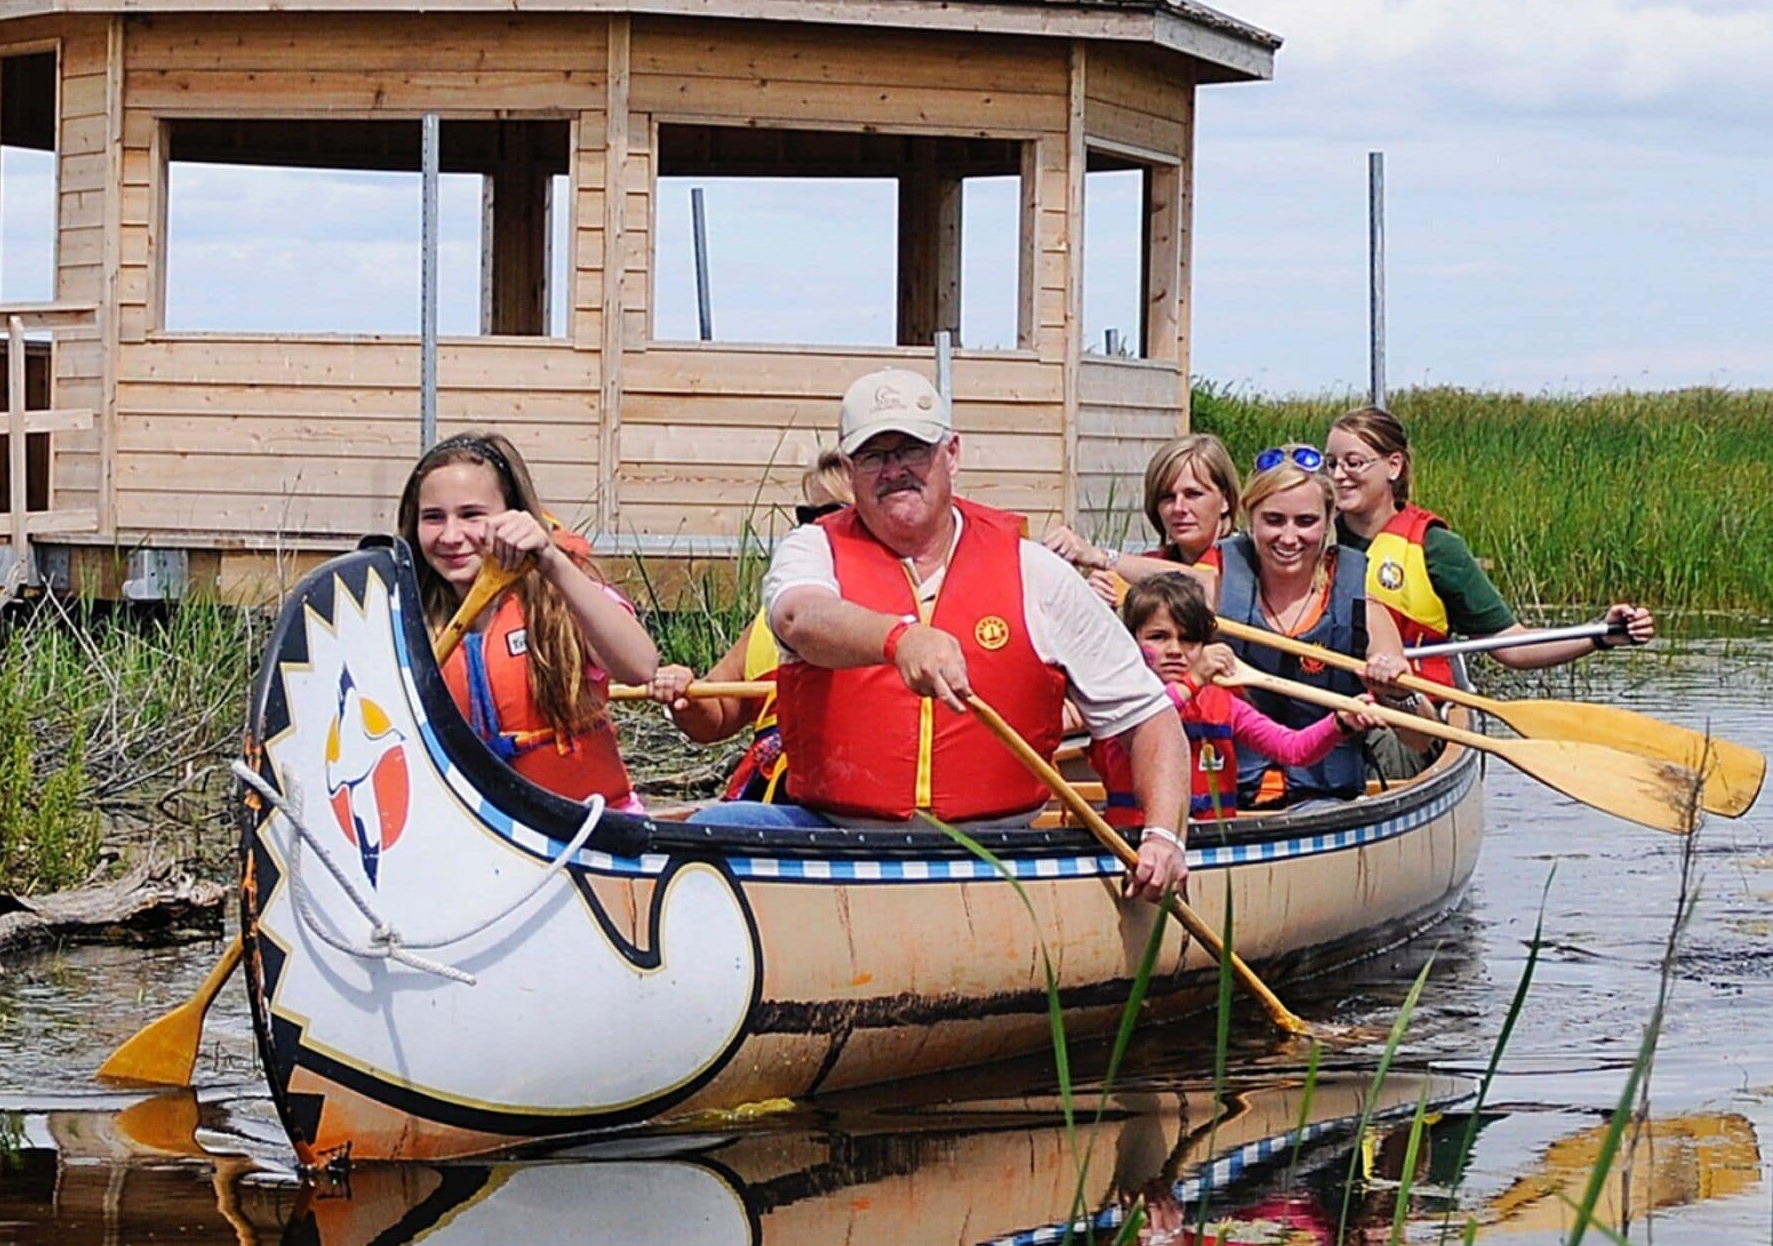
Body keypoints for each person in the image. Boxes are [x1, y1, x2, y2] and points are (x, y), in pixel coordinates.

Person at [695, 368, 1195, 904]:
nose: (895, 471)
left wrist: (1164, 836)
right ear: (850, 468)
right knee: (710, 827)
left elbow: (1149, 718)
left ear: (951, 453)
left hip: (996, 848)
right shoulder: (811, 550)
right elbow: (798, 617)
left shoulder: (1035, 572)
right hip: (836, 835)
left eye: (912, 450)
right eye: (874, 456)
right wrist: (900, 640)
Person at [400, 432, 663, 810]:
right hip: (473, 835)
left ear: (513, 516)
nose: (451, 535)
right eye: (433, 518)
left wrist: (552, 562)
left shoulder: (563, 597)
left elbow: (641, 666)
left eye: (472, 515)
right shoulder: (405, 618)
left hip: (585, 833)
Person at [1322, 407, 1653, 691]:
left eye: (1353, 463)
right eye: (1331, 463)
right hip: (1324, 704)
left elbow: (1514, 647)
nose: (1339, 475)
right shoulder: (1309, 538)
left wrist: (1599, 635)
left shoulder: (1436, 548)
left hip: (1409, 706)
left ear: (1393, 466)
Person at [1094, 572, 1370, 825]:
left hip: (1213, 842)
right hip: (1136, 843)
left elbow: (1293, 750)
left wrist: (1339, 723)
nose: (1175, 650)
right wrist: (1194, 680)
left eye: (1189, 639)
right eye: (1159, 637)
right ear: (1132, 640)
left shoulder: (1223, 704)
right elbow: (1150, 714)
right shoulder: (1120, 698)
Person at [1211, 453, 1402, 800]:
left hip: (1328, 799)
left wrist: (1398, 693)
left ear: (1329, 520)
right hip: (1226, 801)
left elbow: (1418, 737)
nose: (1288, 537)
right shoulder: (1214, 598)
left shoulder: (1366, 611)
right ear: (1249, 518)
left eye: (1305, 521)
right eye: (1273, 520)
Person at [645, 448, 844, 777]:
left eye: (835, 515)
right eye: (808, 517)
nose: (815, 531)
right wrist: (687, 695)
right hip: (776, 793)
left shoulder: (901, 615)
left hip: (847, 791)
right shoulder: (776, 617)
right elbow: (719, 715)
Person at [1045, 432, 1243, 596]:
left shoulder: (1246, 561)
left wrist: (1103, 558)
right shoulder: (1143, 565)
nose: (1179, 508)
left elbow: (1205, 585)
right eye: (1167, 497)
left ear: (1225, 500)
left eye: (1193, 494)